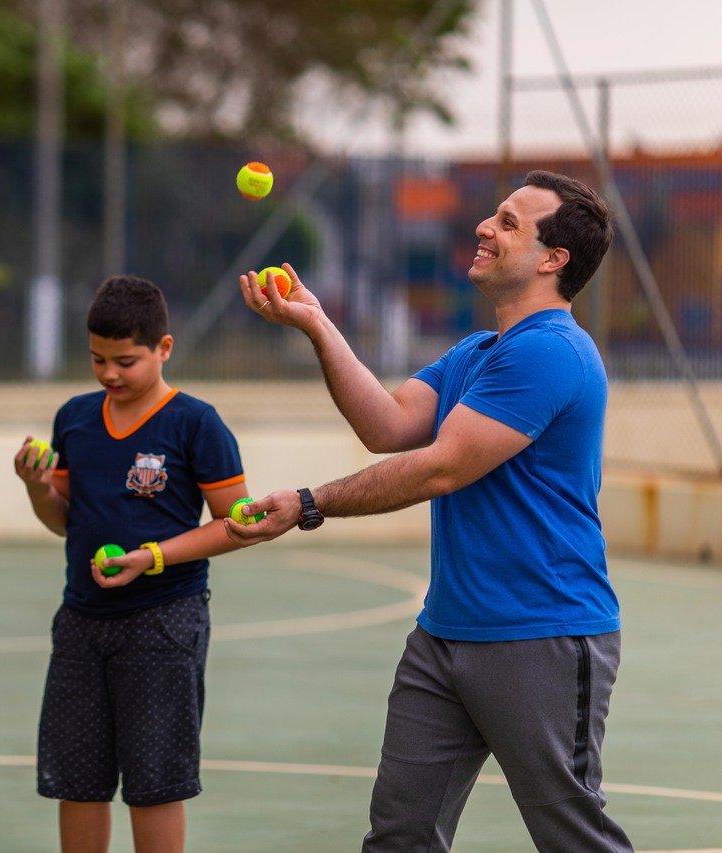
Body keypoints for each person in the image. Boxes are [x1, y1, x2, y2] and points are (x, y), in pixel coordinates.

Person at [227, 170, 632, 851]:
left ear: (552, 259)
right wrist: (316, 322)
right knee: (400, 835)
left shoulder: (551, 353)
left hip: (542, 635)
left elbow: (444, 465)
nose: (484, 226)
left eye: (508, 222)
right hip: (445, 636)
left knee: (573, 836)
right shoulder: (478, 353)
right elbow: (387, 425)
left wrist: (307, 502)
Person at [14, 275, 253, 853]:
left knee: (155, 783)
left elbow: (239, 525)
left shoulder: (196, 423)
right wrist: (37, 487)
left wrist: (150, 558)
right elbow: (64, 521)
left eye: (125, 360)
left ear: (163, 349)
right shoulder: (74, 417)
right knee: (78, 779)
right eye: (97, 359)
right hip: (81, 620)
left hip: (163, 620)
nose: (109, 374)